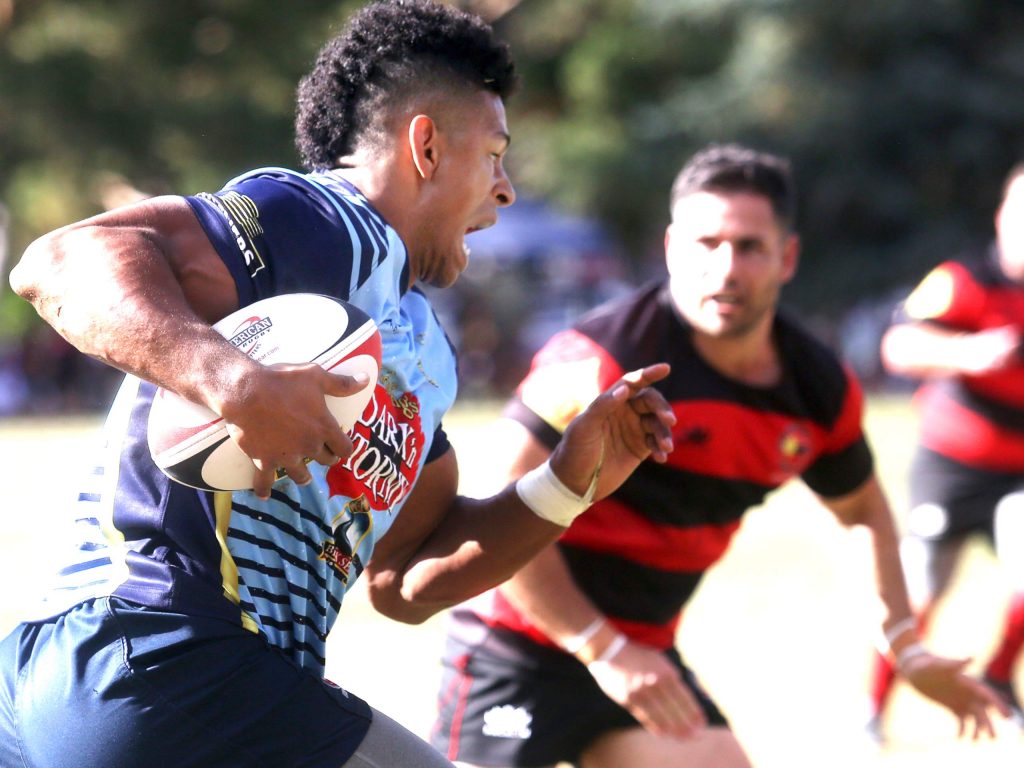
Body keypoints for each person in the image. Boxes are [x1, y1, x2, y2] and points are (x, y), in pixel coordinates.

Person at [0, 3, 680, 767]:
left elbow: (405, 576)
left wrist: (569, 482)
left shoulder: (421, 347)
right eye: (494, 154)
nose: (506, 189)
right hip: (163, 660)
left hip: (133, 688)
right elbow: (60, 262)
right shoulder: (326, 221)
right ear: (425, 145)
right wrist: (235, 383)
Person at [430, 143, 1009, 768]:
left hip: (646, 658)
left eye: (750, 247)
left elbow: (863, 510)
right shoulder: (599, 357)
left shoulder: (815, 389)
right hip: (514, 647)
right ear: (674, 247)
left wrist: (907, 646)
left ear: (787, 258)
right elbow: (498, 503)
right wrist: (602, 650)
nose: (727, 268)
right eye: (707, 244)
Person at [866, 161, 1024, 740]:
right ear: (1004, 217)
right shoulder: (963, 280)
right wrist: (971, 354)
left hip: (1019, 470)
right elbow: (898, 345)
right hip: (954, 463)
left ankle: (1003, 682)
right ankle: (870, 709)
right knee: (921, 592)